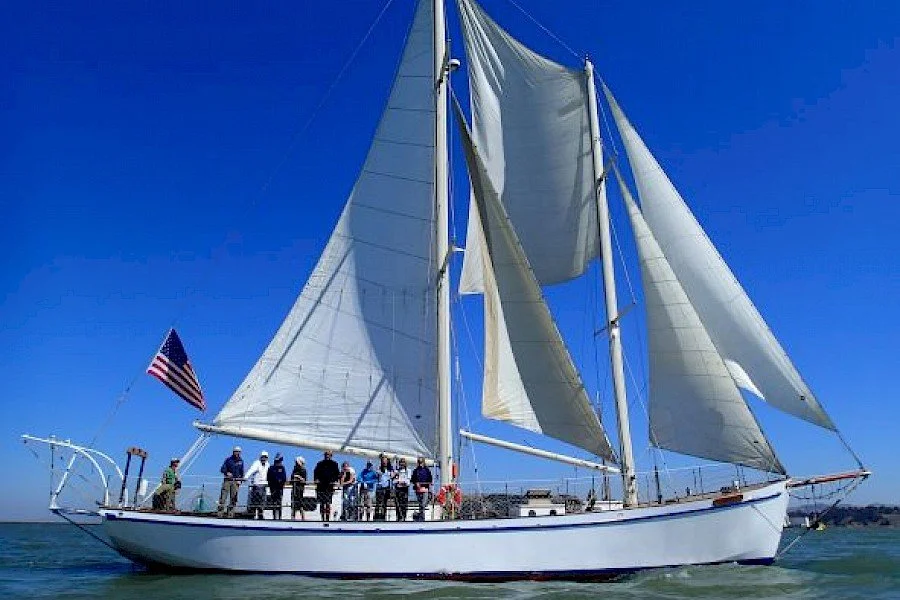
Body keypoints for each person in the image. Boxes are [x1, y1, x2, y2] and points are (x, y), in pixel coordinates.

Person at [313, 450, 340, 521]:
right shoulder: (320, 464)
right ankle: (322, 518)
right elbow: (315, 473)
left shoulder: (334, 464)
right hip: (321, 486)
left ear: (331, 456)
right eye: (326, 454)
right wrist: (316, 479)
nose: (327, 456)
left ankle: (327, 519)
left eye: (329, 455)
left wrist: (334, 481)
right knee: (321, 503)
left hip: (329, 486)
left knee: (328, 503)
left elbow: (337, 474)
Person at [217, 446, 244, 517]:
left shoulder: (241, 461)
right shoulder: (228, 460)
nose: (237, 453)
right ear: (233, 452)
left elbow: (242, 472)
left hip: (236, 481)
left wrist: (241, 480)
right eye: (236, 451)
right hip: (227, 481)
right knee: (223, 497)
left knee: (234, 498)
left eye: (238, 451)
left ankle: (231, 514)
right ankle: (220, 514)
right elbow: (222, 469)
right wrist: (227, 473)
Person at [245, 450, 270, 520]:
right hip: (257, 485)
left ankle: (260, 515)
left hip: (264, 485)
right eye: (263, 457)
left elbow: (269, 474)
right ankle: (253, 515)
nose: (264, 458)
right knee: (256, 501)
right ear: (260, 457)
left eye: (265, 457)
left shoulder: (268, 464)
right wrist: (246, 477)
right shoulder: (257, 463)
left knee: (262, 501)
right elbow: (251, 470)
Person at [410, 457, 433, 521]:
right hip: (418, 489)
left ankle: (421, 516)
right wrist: (416, 483)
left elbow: (430, 479)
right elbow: (412, 479)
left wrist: (428, 483)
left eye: (421, 462)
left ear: (423, 462)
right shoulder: (415, 470)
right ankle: (422, 517)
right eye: (419, 462)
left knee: (423, 504)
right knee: (420, 504)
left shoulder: (427, 470)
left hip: (425, 489)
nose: (420, 463)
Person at [267, 453, 288, 520]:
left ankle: (279, 517)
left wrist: (281, 481)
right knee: (274, 503)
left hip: (280, 488)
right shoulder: (271, 468)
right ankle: (274, 517)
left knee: (279, 503)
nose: (279, 462)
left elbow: (284, 477)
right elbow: (269, 477)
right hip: (273, 488)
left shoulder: (282, 468)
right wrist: (276, 480)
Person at [374, 454, 393, 521]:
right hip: (380, 487)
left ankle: (383, 516)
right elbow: (376, 474)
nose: (384, 462)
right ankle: (376, 517)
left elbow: (392, 476)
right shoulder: (379, 467)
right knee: (378, 503)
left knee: (384, 503)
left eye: (385, 461)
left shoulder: (390, 468)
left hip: (387, 487)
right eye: (383, 461)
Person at [290, 456, 307, 521]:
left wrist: (298, 477)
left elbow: (304, 480)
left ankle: (303, 518)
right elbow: (292, 478)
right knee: (293, 504)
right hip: (294, 489)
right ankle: (293, 517)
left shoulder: (303, 470)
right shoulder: (294, 469)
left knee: (300, 505)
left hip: (300, 489)